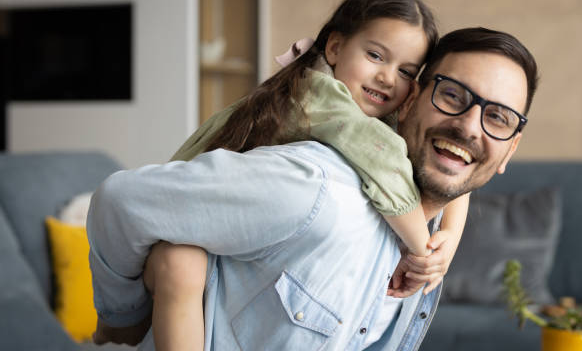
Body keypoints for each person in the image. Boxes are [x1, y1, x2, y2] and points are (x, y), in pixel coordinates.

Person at [88, 25, 538, 350]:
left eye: (497, 117)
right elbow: (120, 200)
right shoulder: (314, 191)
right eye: (453, 96)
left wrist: (445, 239)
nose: (468, 127)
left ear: (510, 150)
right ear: (411, 99)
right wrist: (120, 317)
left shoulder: (431, 228)